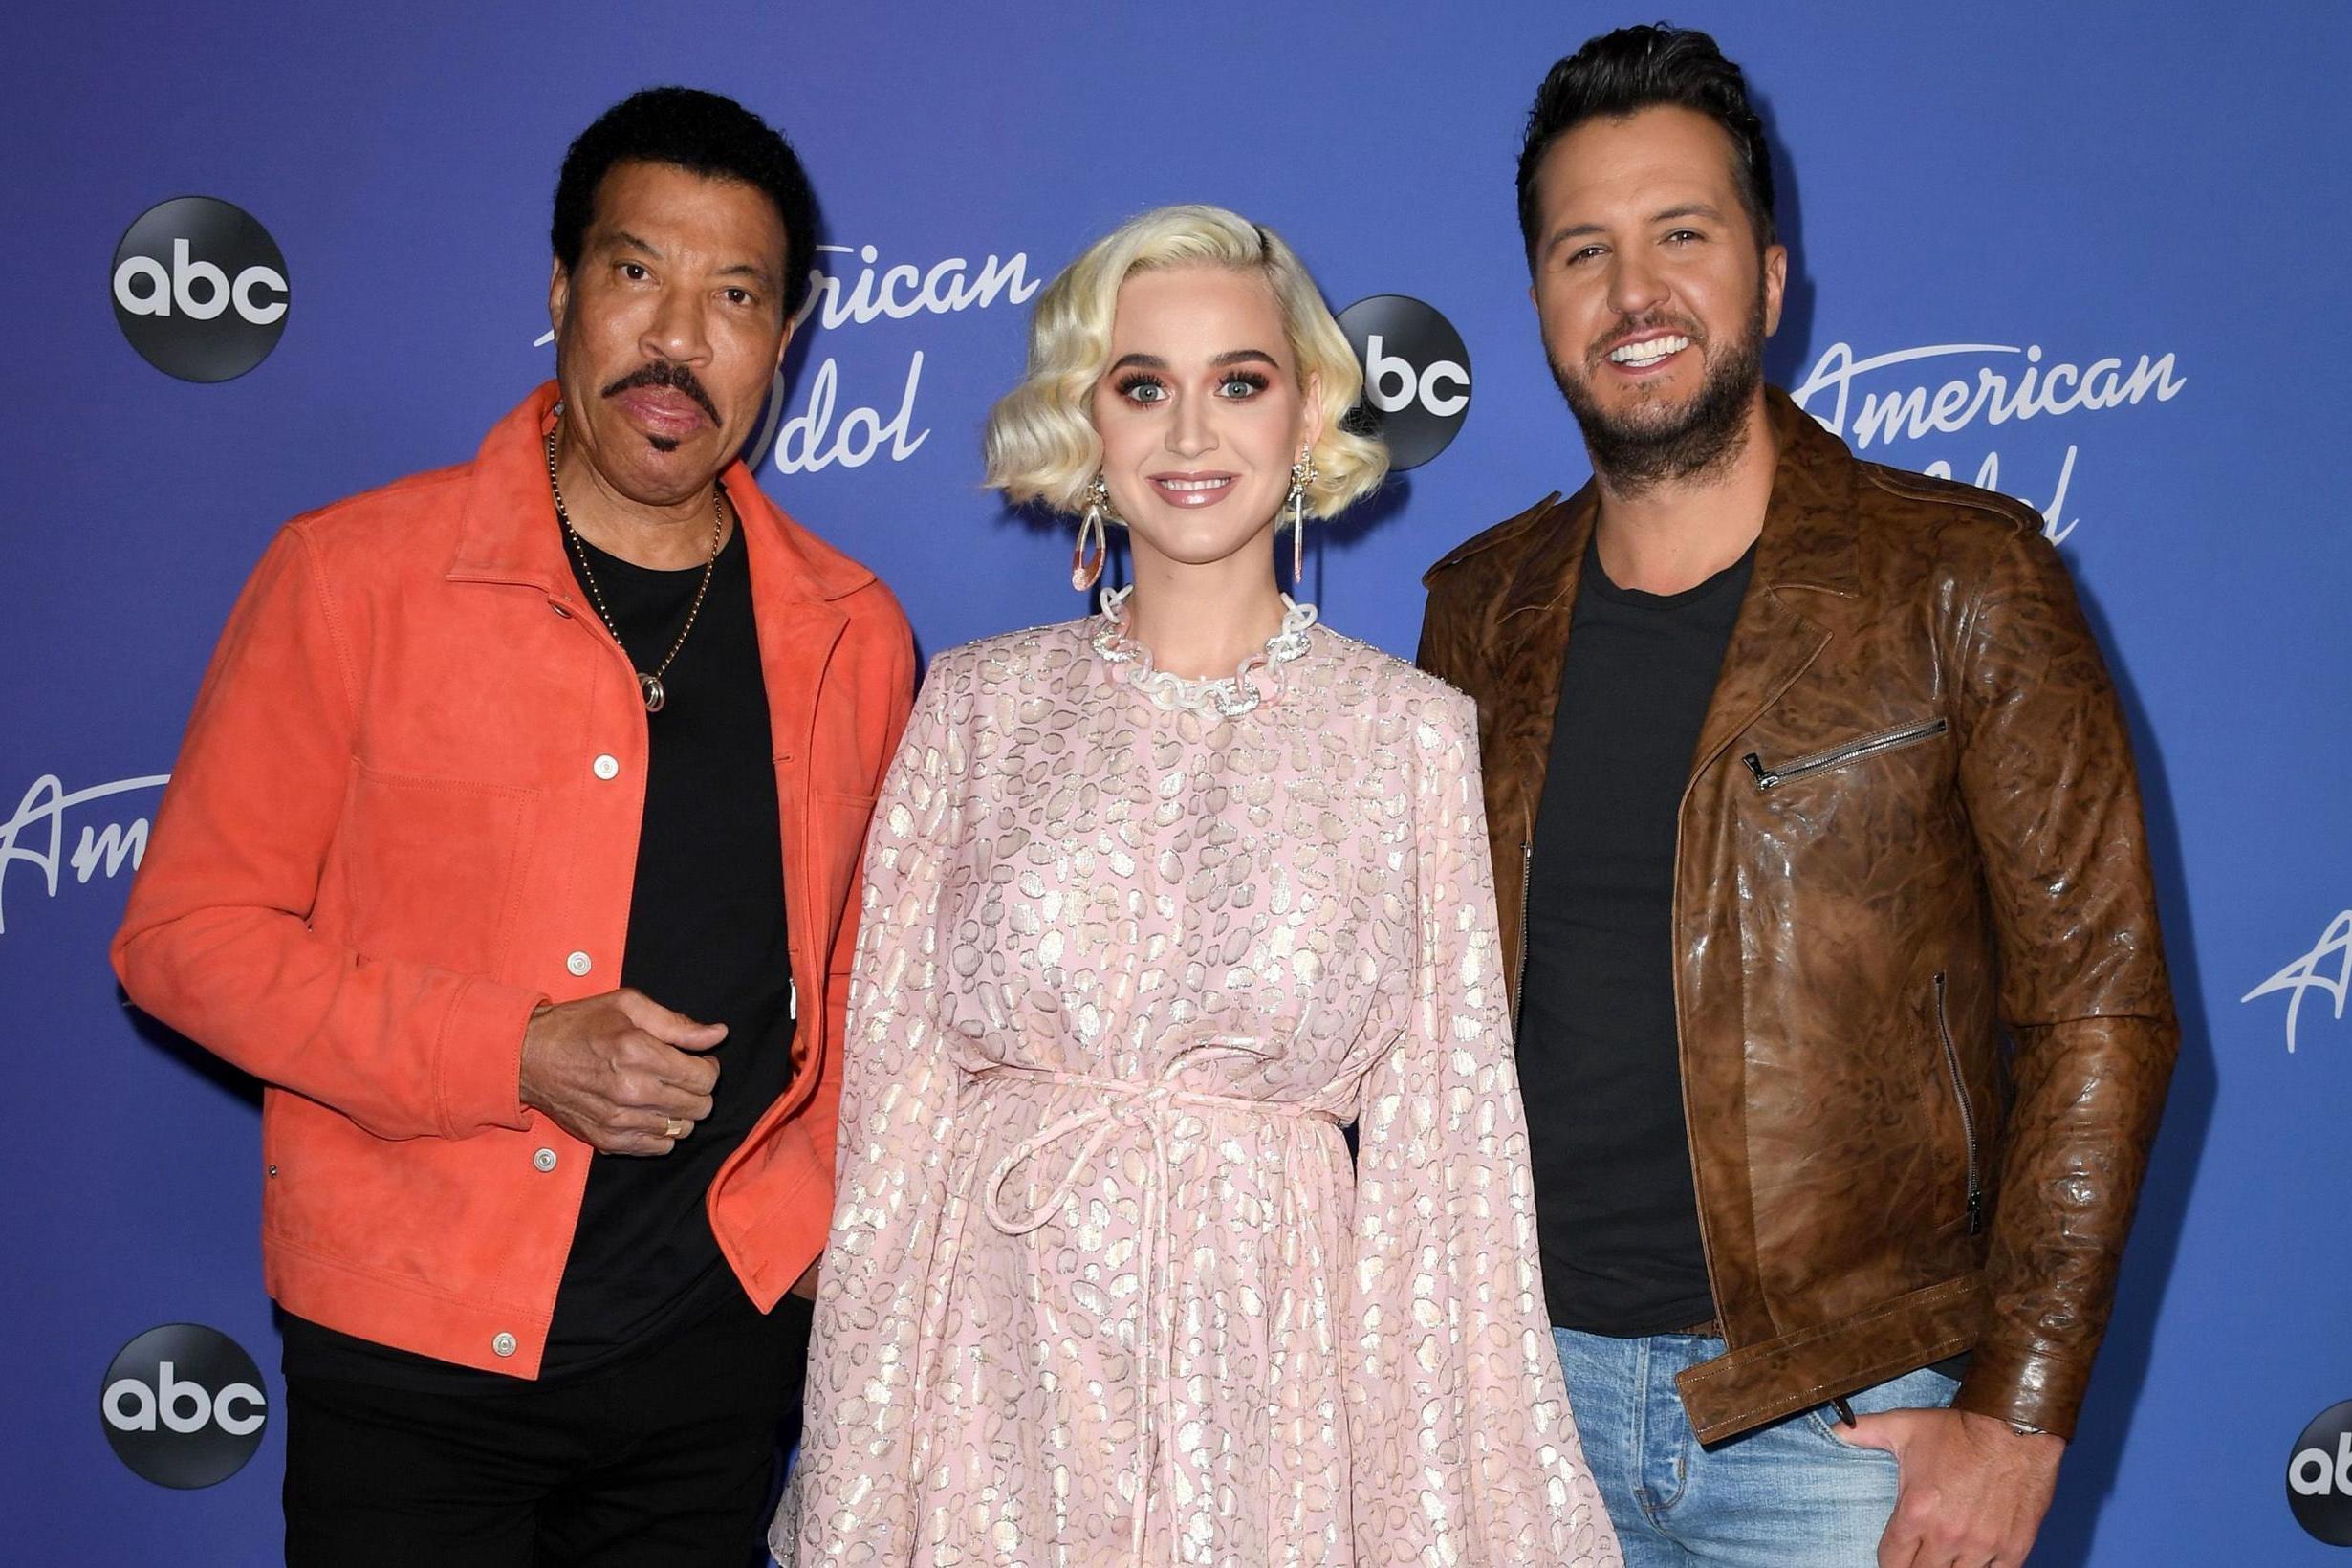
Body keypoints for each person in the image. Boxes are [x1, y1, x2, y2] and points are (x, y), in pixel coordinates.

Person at [112, 87, 914, 1566]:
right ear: (559, 294)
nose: (678, 337)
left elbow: (861, 995)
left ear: (785, 341)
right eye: (635, 273)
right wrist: (515, 1051)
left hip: (713, 1371)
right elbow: (184, 943)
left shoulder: (852, 634)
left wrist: (808, 1247)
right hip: (411, 1361)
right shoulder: (355, 576)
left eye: (734, 294)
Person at [1417, 25, 2179, 1568]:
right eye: (1585, 250)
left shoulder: (1963, 575)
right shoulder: (1475, 610)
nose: (1635, 292)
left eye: (1680, 235)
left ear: (1769, 277)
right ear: (1544, 303)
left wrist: (2020, 1413)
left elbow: (2102, 1010)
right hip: (1512, 1407)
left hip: (1849, 1425)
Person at [777, 205, 1621, 1566]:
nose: (1189, 434)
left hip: (1268, 1380)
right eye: (1140, 386)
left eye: (1239, 382)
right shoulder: (979, 706)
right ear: (1085, 424)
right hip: (995, 1375)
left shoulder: (1404, 735)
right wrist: (862, 1483)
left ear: (1304, 418)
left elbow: (1445, 1159)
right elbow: (892, 1122)